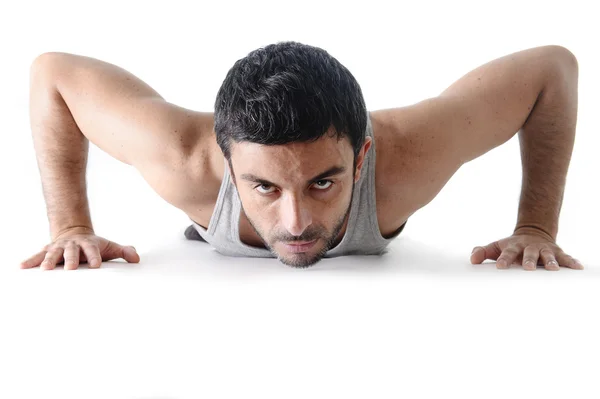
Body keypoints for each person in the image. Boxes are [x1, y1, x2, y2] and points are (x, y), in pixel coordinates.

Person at [20, 41, 584, 271]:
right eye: (264, 187)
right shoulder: (184, 162)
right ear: (227, 163)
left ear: (361, 159)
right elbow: (54, 74)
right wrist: (71, 225)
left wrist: (535, 225)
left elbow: (551, 69)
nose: (296, 224)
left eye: (323, 183)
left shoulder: (406, 161)